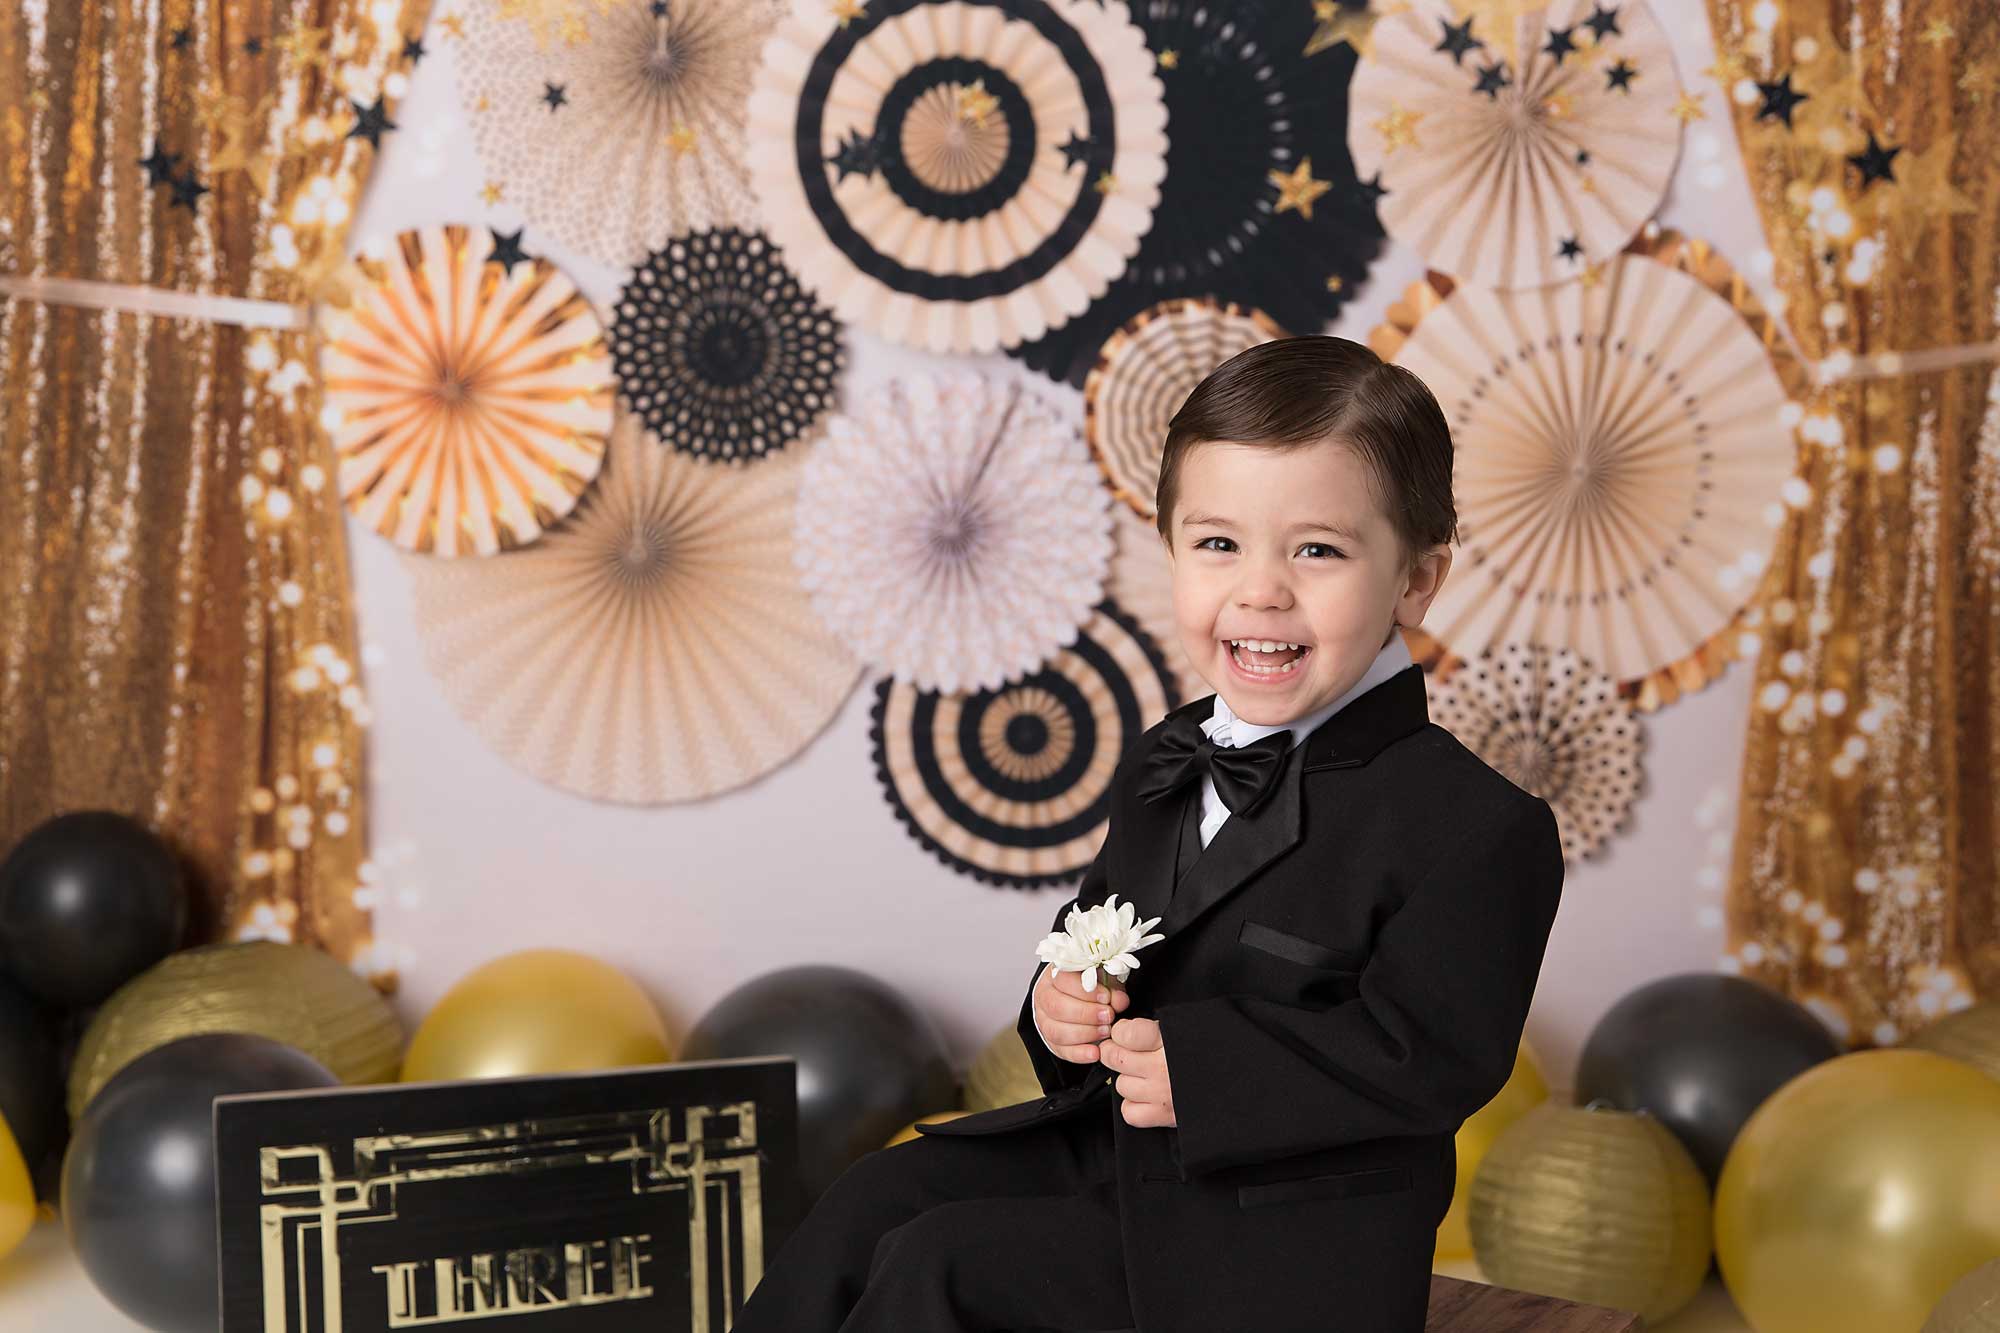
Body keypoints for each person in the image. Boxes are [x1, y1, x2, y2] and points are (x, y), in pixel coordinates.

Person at [732, 336, 1565, 1333]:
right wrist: (1059, 1008)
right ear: (1169, 547)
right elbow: (1098, 927)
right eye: (1218, 544)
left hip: (1284, 1246)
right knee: (873, 1201)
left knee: (943, 1264)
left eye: (1317, 549)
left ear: (1415, 579)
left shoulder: (1473, 827)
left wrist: (1206, 1067)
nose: (1261, 590)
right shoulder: (1171, 755)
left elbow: (1429, 1059)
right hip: (1114, 1164)